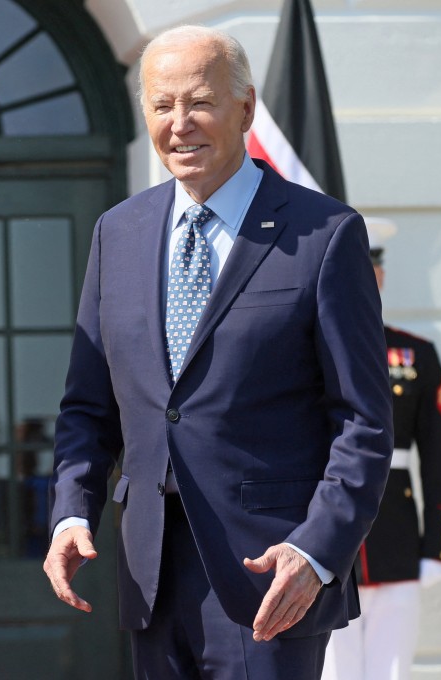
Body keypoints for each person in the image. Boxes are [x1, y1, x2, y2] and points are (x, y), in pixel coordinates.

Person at [42, 25, 393, 679]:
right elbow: (88, 409)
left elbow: (364, 424)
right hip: (150, 575)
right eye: (161, 105)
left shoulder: (324, 235)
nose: (180, 124)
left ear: (246, 108)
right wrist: (70, 512)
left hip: (272, 579)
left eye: (198, 101)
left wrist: (317, 553)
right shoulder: (117, 233)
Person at [322, 218, 441, 680]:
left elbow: (435, 456)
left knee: (391, 670)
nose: (371, 275)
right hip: (325, 535)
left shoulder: (416, 355)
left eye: (375, 265)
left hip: (395, 534)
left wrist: (436, 544)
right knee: (335, 671)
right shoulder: (309, 347)